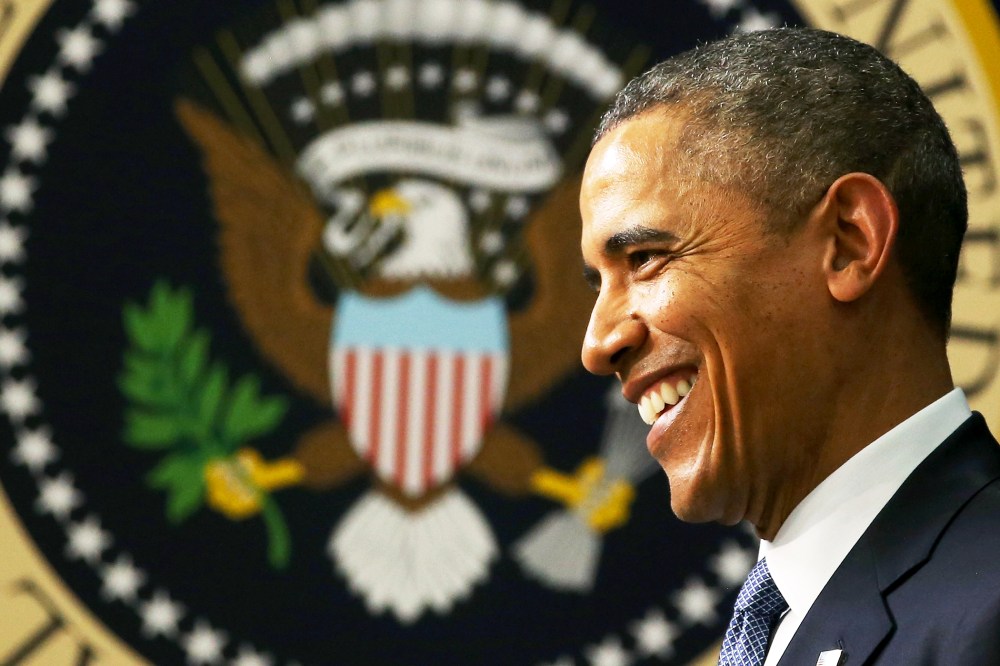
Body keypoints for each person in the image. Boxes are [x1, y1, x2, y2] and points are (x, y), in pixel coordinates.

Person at [579, 27, 1000, 665]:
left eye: (644, 258)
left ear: (848, 243)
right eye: (597, 283)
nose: (597, 342)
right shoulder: (783, 626)